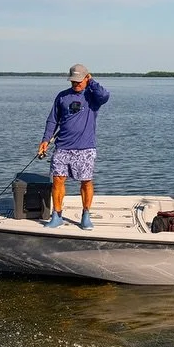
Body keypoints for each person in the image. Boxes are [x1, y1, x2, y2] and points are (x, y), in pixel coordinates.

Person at [37, 64, 111, 229]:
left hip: (85, 148)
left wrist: (92, 82)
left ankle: (86, 215)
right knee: (58, 180)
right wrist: (45, 139)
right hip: (62, 147)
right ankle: (57, 215)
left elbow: (105, 95)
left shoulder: (93, 97)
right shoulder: (62, 96)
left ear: (86, 78)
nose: (76, 84)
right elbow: (52, 120)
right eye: (73, 81)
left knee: (86, 181)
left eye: (79, 81)